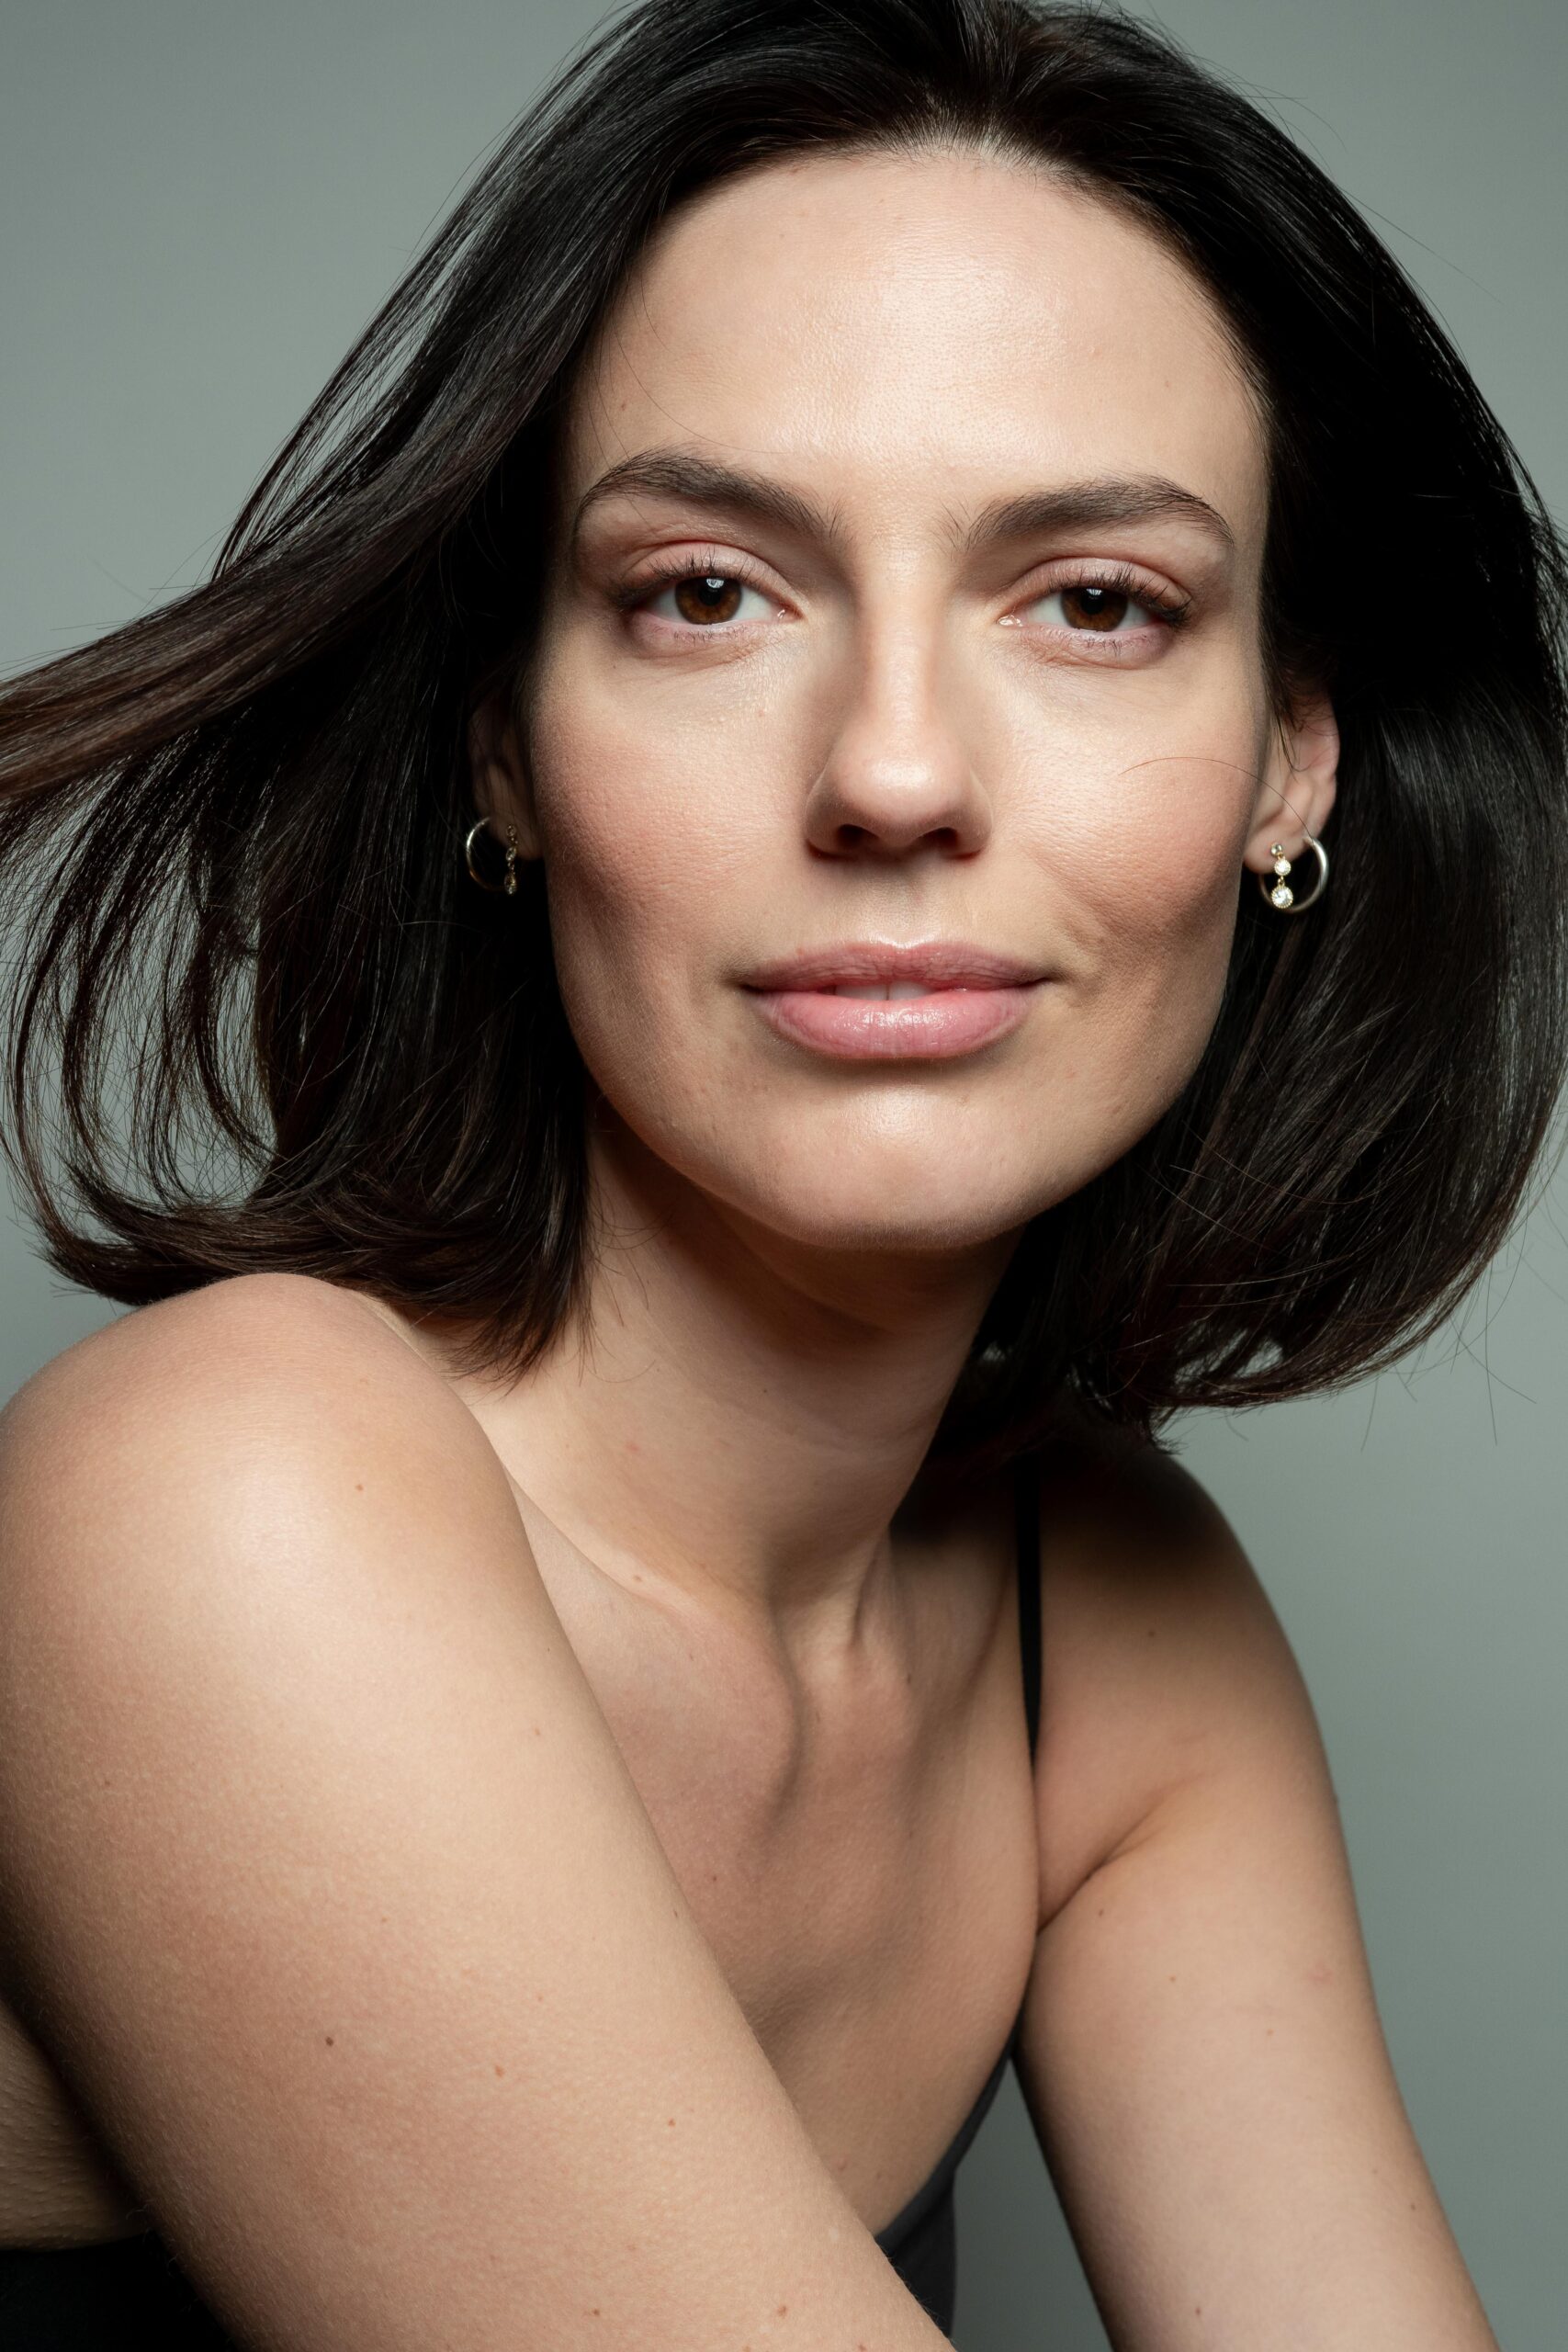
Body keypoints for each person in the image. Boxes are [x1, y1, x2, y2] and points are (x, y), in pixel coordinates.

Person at [0, 0, 1561, 2343]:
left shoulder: (1098, 1612)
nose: (893, 773)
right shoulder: (227, 1490)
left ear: (1287, 763)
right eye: (707, 590)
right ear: (505, 751)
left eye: (1094, 601)